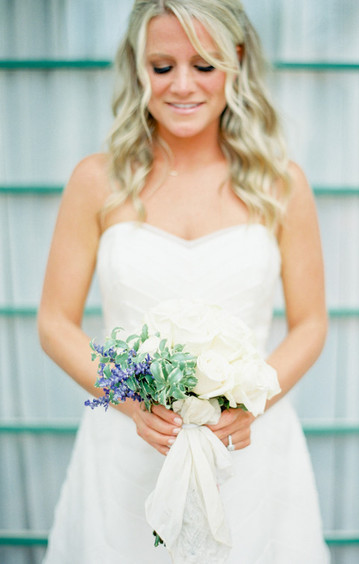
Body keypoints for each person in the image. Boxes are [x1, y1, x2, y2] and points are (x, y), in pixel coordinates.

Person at [38, 0, 330, 562]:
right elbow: (54, 322)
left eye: (204, 64)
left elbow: (311, 324)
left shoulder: (281, 185)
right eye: (162, 66)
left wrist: (254, 403)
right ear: (138, 68)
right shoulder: (96, 181)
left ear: (236, 62)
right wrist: (132, 405)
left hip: (248, 452)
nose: (182, 85)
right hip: (127, 453)